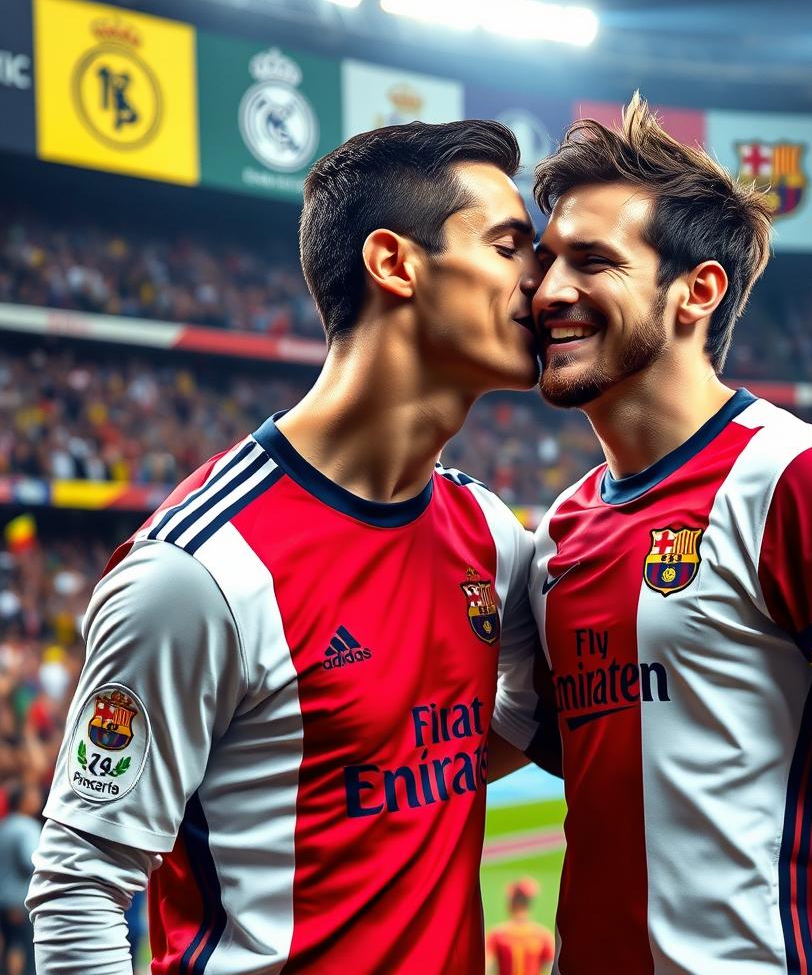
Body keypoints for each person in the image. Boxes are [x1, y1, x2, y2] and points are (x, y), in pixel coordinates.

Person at [28, 118, 545, 974]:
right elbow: (81, 891)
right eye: (507, 245)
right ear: (395, 264)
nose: (543, 277)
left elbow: (521, 714)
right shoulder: (195, 575)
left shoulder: (492, 539)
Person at [508, 95, 812, 975]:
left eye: (593, 261)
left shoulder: (795, 479)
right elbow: (503, 744)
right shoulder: (561, 529)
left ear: (697, 290)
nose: (549, 291)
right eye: (547, 261)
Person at [0, 781, 42, 975]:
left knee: (10, 946)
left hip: (3, 899)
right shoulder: (27, 826)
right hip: (20, 900)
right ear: (23, 801)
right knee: (25, 950)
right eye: (32, 794)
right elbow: (32, 861)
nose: (37, 798)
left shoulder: (5, 824)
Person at [486, 878, 555, 975]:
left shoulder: (497, 934)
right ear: (529, 904)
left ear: (510, 905)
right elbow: (552, 968)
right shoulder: (543, 935)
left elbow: (487, 967)